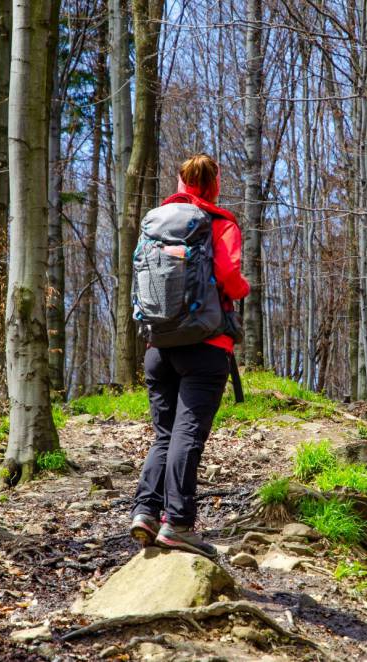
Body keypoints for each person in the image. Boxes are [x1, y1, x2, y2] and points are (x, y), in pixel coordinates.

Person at [129, 154, 250, 558]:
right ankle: (178, 524)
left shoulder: (155, 224)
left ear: (180, 183)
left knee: (164, 434)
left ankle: (146, 512)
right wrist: (243, 288)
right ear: (214, 185)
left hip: (158, 347)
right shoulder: (220, 224)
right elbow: (229, 278)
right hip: (206, 347)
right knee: (187, 435)